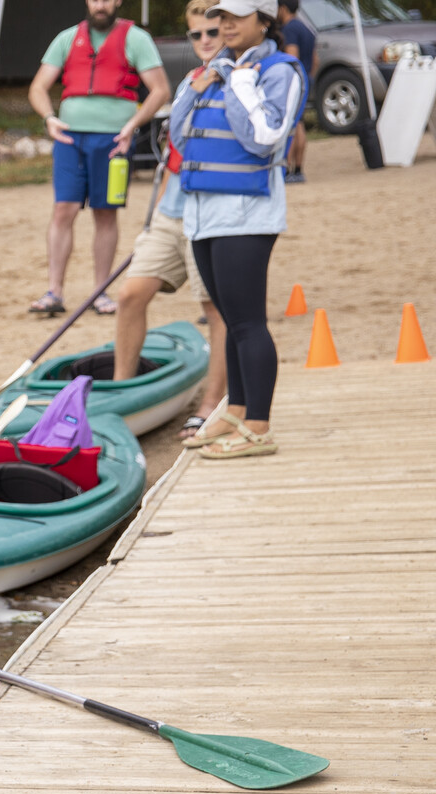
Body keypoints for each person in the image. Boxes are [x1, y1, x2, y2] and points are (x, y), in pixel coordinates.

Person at [172, 0, 303, 460]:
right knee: (226, 320)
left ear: (262, 21)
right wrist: (198, 83)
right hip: (205, 213)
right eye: (221, 17)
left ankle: (259, 427)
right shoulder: (218, 67)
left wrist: (239, 80)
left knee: (248, 322)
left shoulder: (279, 71)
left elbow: (263, 137)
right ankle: (236, 410)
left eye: (236, 17)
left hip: (247, 215)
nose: (224, 25)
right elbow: (179, 135)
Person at [114, 0, 230, 437]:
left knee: (214, 311)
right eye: (196, 34)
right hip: (170, 211)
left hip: (210, 214)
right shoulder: (189, 80)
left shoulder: (237, 78)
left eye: (212, 33)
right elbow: (172, 155)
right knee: (130, 295)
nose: (203, 41)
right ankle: (123, 393)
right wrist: (156, 215)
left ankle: (210, 402)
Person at [27, 0, 171, 316]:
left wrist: (133, 125)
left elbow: (160, 90)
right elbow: (38, 87)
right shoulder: (67, 38)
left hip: (113, 142)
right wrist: (49, 117)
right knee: (63, 209)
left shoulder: (136, 39)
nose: (100, 5)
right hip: (69, 137)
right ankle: (54, 291)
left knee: (105, 213)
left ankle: (100, 292)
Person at [277, 0, 314, 182]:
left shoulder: (289, 29)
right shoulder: (306, 27)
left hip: (296, 80)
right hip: (307, 78)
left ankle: (288, 170)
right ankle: (298, 169)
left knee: (293, 125)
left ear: (282, 9)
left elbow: (292, 57)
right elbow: (315, 60)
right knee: (300, 125)